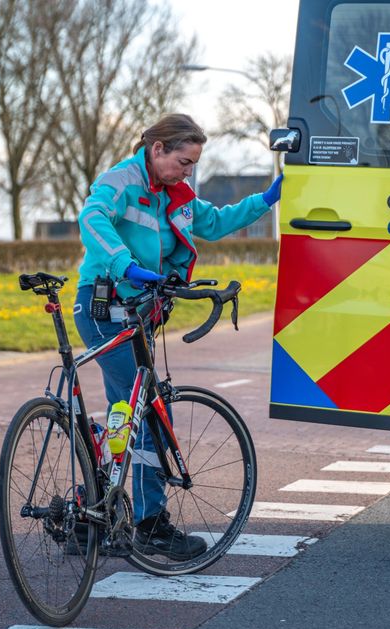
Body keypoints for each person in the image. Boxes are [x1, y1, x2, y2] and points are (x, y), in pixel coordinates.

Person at [73, 113, 283, 561]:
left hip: (139, 312)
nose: (188, 173)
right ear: (157, 149)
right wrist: (125, 264)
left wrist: (267, 199)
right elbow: (91, 218)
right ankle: (150, 525)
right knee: (147, 412)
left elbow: (217, 222)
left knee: (128, 411)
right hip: (103, 306)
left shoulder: (177, 196)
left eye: (192, 165)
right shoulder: (122, 180)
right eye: (183, 162)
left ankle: (90, 503)